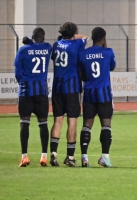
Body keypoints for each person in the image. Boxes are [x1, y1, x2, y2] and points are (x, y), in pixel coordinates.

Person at [50, 22, 88, 167]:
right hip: (71, 88)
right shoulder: (77, 44)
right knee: (72, 122)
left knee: (57, 121)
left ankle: (53, 154)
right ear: (73, 34)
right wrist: (74, 36)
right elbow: (86, 37)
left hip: (57, 88)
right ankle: (70, 157)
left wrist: (67, 36)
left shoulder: (56, 44)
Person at [14, 27, 52, 167]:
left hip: (26, 92)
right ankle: (44, 156)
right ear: (43, 37)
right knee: (43, 123)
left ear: (32, 36)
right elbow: (39, 44)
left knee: (25, 122)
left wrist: (23, 83)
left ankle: (24, 156)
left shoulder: (23, 50)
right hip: (41, 92)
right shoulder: (47, 48)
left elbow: (17, 72)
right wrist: (30, 41)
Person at [78, 27, 116, 167]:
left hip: (89, 94)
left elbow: (80, 72)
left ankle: (84, 157)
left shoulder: (83, 54)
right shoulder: (108, 52)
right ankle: (105, 158)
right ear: (104, 38)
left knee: (87, 125)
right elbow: (112, 67)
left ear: (92, 38)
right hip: (104, 94)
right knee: (106, 125)